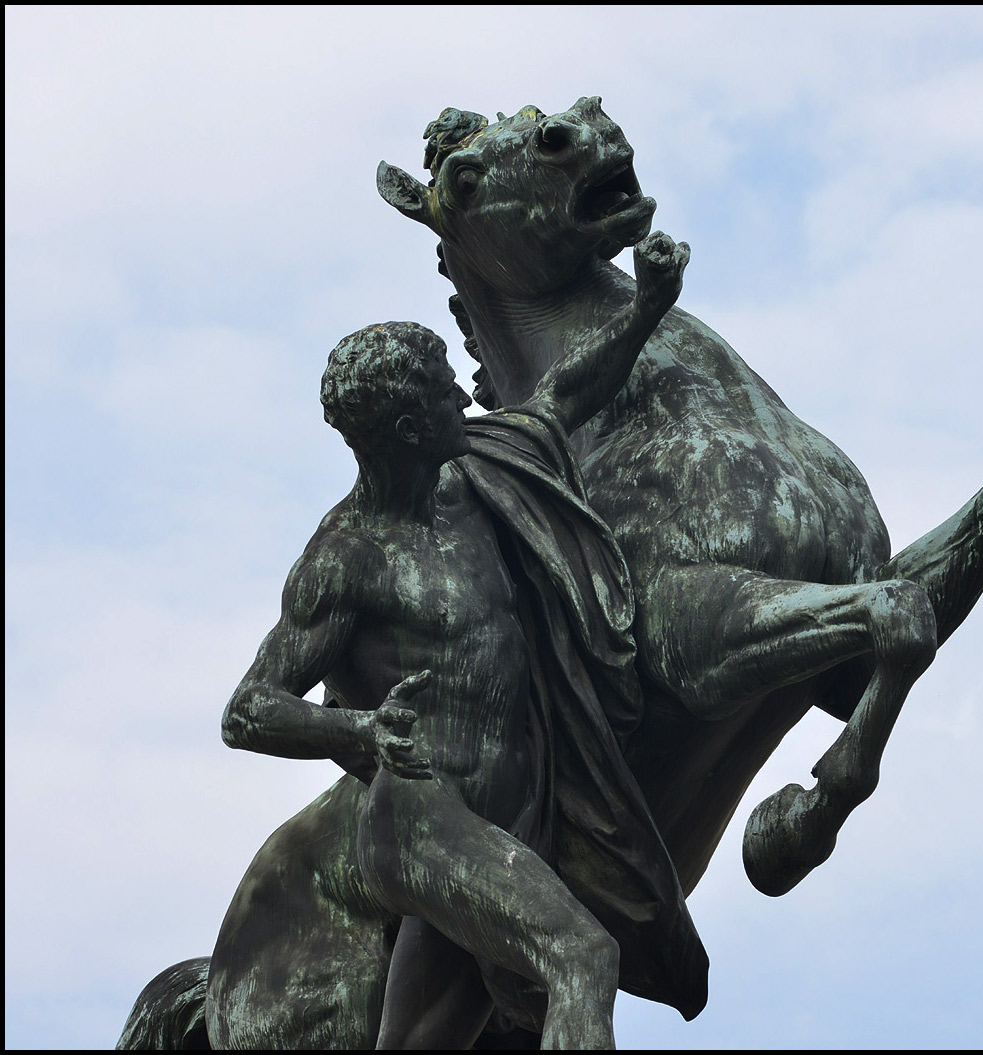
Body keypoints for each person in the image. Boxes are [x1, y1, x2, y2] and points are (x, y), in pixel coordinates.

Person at [221, 233, 701, 1049]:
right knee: (582, 955)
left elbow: (566, 392)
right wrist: (360, 730)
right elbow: (247, 709)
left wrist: (650, 303)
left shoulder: (476, 476)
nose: (463, 397)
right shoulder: (346, 559)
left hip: (515, 811)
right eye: (447, 391)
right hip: (424, 819)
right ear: (411, 428)